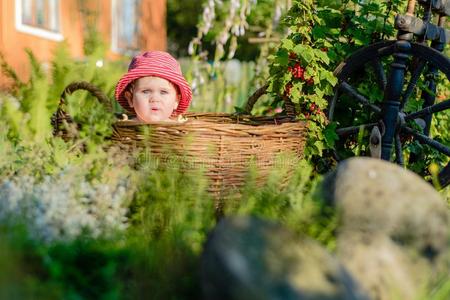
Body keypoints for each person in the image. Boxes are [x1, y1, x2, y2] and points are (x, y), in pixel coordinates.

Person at [115, 51, 192, 122]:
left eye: (163, 92)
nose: (155, 99)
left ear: (176, 101)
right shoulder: (125, 129)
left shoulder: (180, 130)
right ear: (130, 99)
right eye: (146, 91)